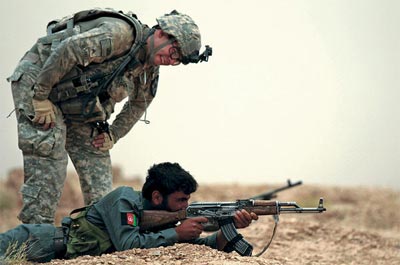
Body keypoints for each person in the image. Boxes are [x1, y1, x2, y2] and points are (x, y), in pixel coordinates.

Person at [7, 8, 212, 224]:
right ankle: (34, 238)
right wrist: (40, 96)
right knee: (51, 158)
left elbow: (138, 105)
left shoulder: (148, 69)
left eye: (177, 60)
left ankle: (99, 233)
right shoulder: (120, 35)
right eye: (173, 52)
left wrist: (112, 135)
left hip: (76, 105)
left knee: (98, 165)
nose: (171, 61)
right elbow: (68, 50)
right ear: (162, 33)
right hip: (39, 82)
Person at [0, 162, 258, 263]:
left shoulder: (165, 220)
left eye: (187, 200)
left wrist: (230, 228)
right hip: (32, 242)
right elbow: (127, 244)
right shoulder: (124, 200)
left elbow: (205, 245)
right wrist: (176, 233)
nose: (184, 206)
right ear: (157, 196)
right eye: (180, 200)